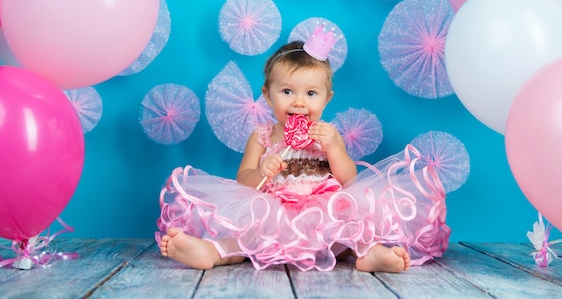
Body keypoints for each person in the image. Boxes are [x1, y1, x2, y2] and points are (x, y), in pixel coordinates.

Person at [156, 25, 450, 272]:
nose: (299, 102)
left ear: (326, 99)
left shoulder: (327, 134)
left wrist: (334, 147)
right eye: (287, 92)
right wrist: (260, 171)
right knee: (247, 240)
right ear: (268, 96)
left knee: (348, 232)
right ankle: (211, 252)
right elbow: (242, 178)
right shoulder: (262, 136)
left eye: (311, 93)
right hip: (275, 212)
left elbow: (349, 179)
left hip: (324, 212)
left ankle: (369, 256)